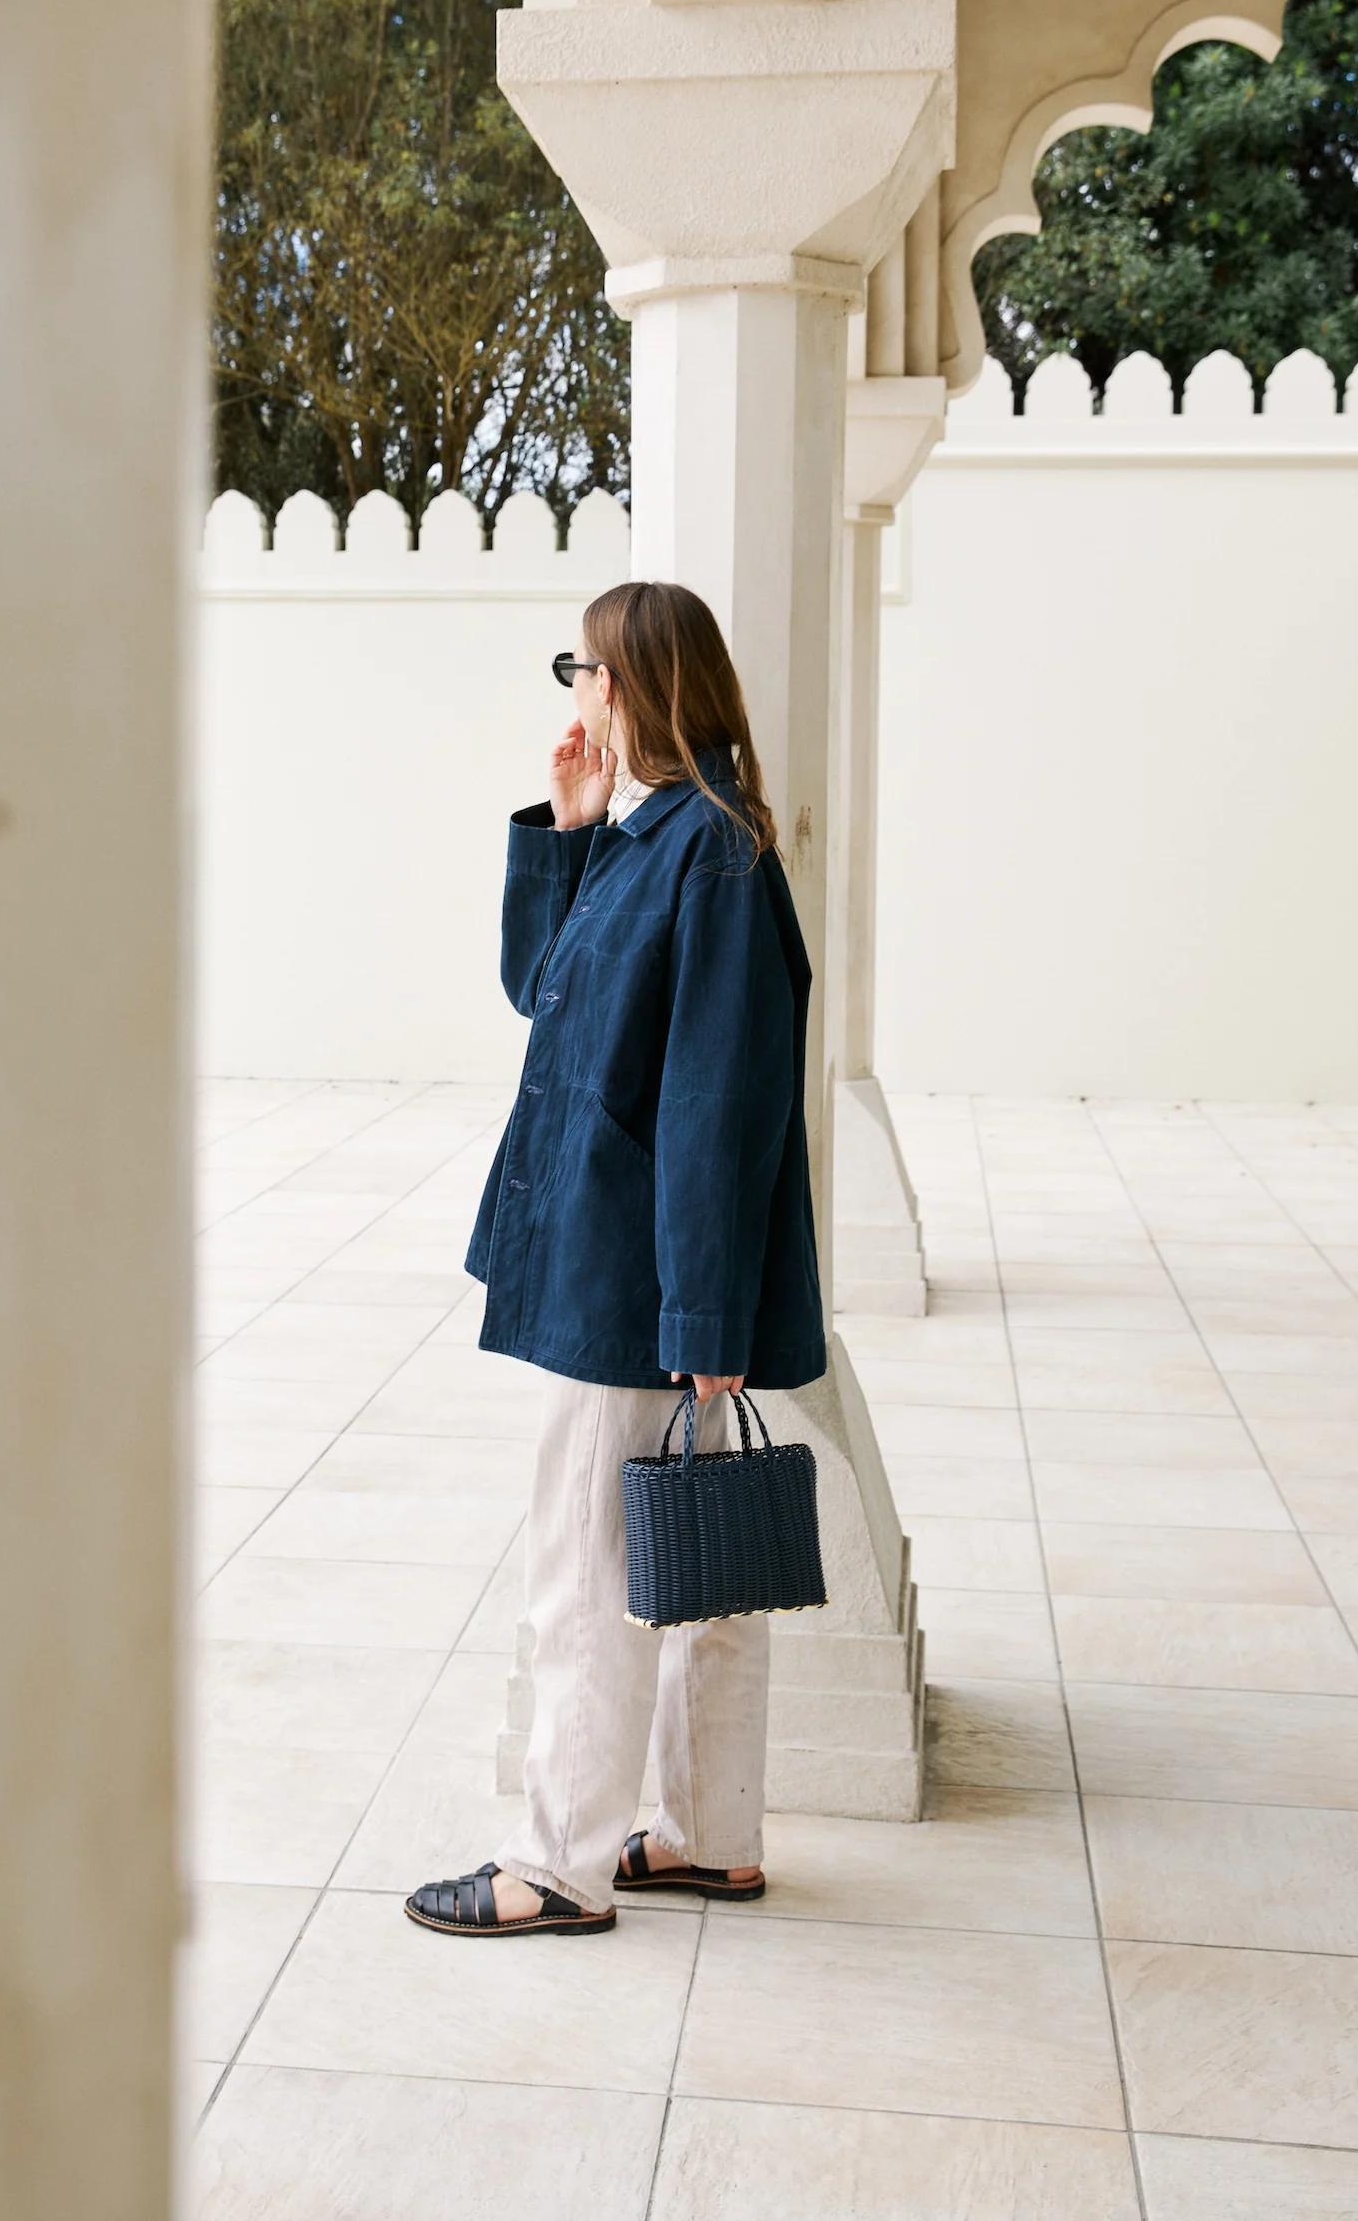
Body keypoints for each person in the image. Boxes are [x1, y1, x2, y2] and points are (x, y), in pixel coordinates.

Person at [405, 579, 827, 1941]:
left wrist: (705, 1314)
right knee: (696, 1571)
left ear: (633, 686)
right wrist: (572, 828)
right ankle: (709, 1840)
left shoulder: (713, 854)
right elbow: (543, 993)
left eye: (581, 671)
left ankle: (556, 1864)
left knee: (588, 1574)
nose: (572, 695)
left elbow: (717, 1103)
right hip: (631, 1265)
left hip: (640, 1285)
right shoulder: (657, 841)